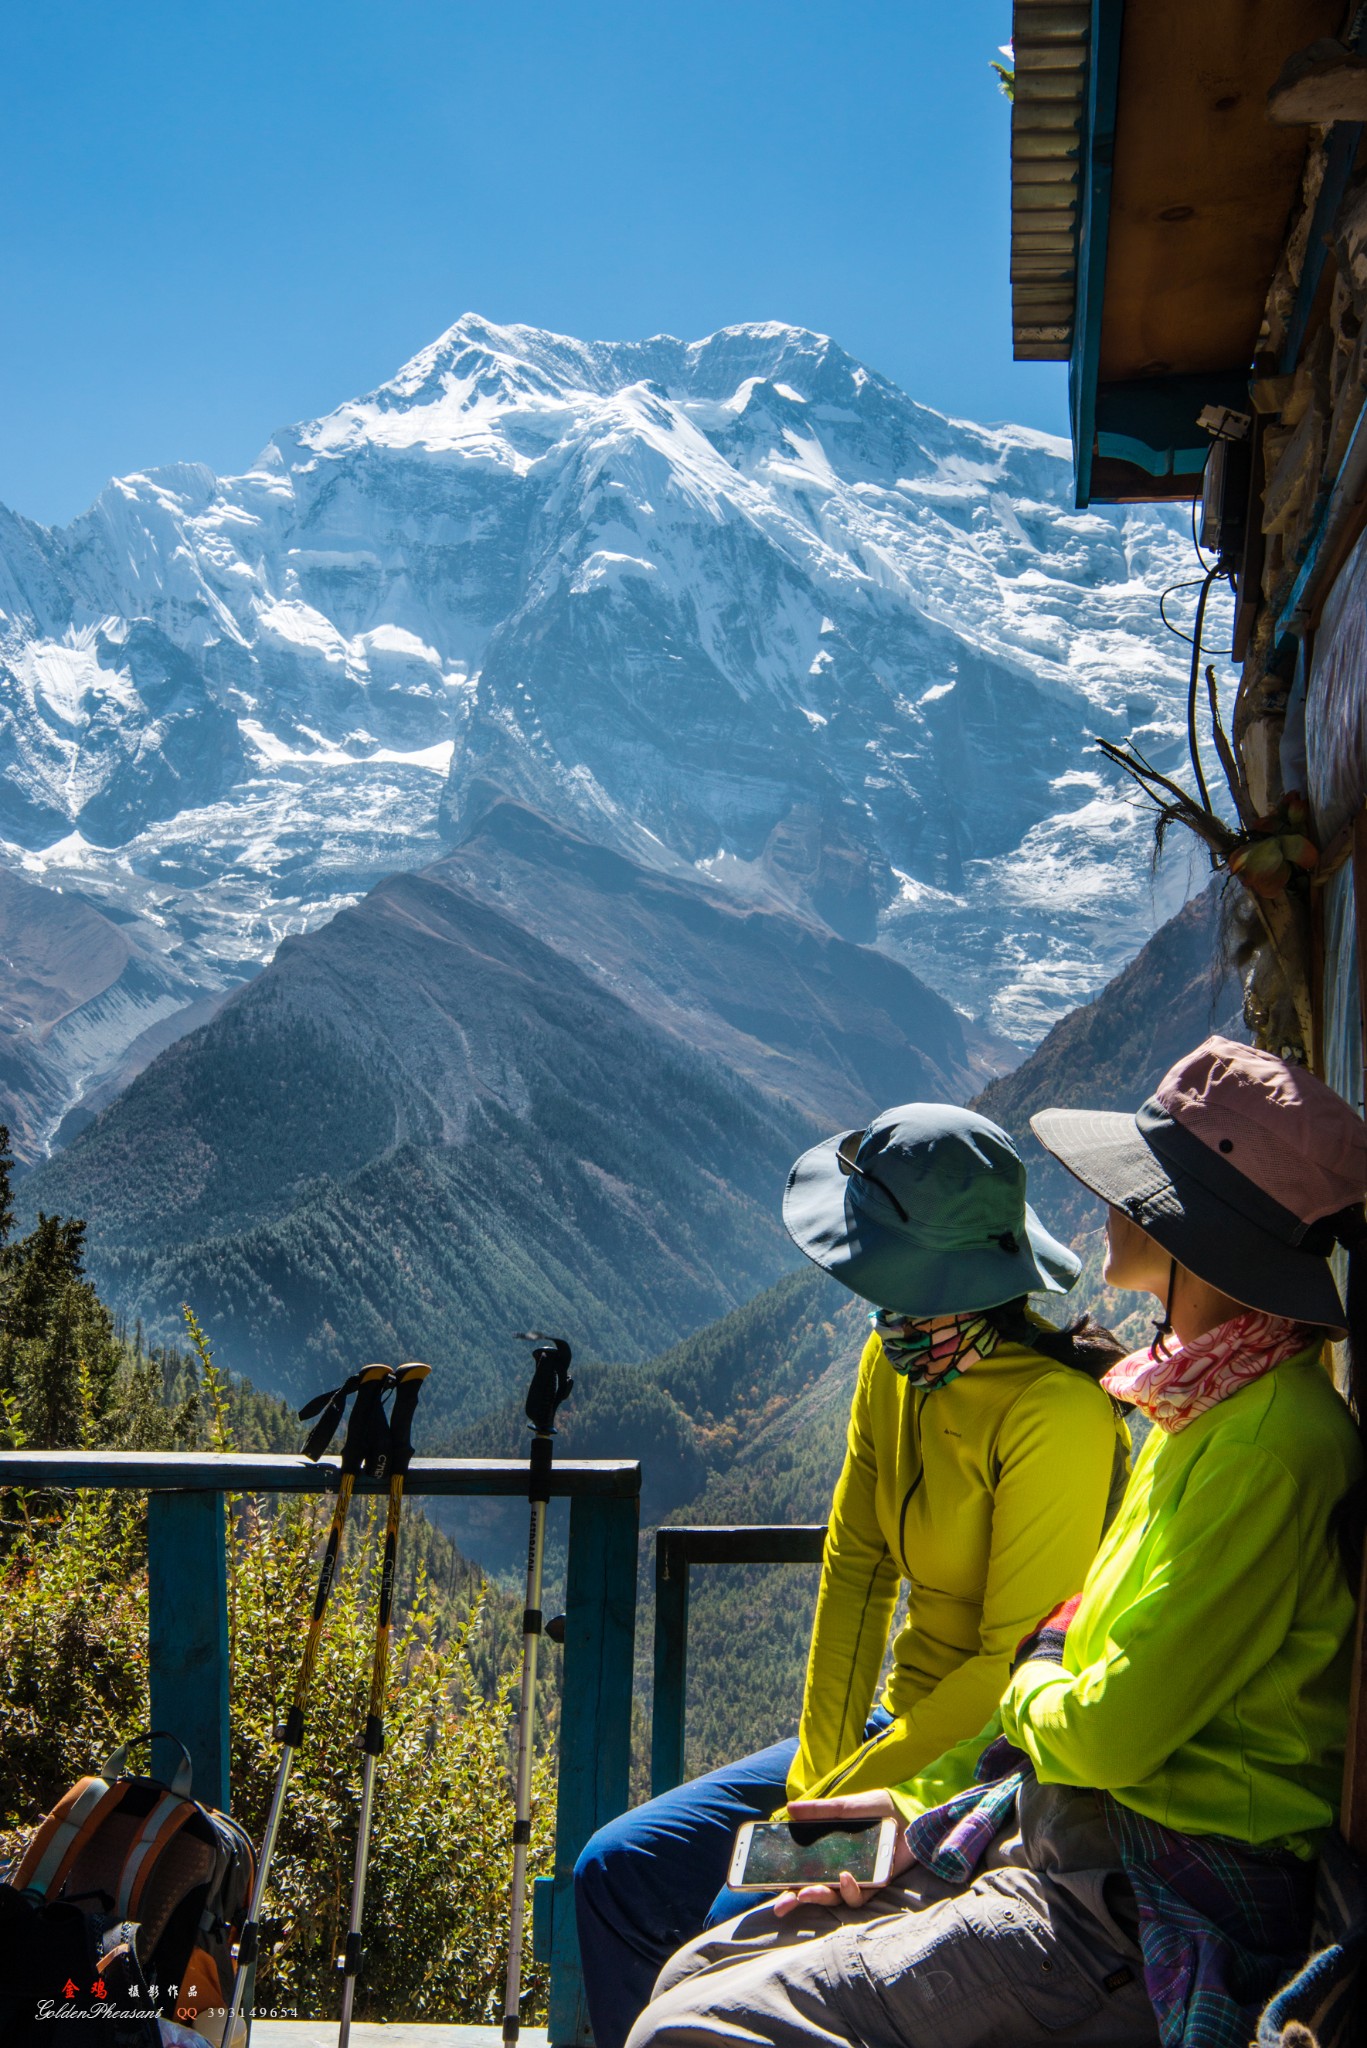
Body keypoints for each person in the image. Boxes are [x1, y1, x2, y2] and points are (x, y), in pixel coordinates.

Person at [624, 1037, 1367, 2048]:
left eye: (1131, 1183)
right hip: (1073, 1830)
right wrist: (858, 1782)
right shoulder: (1204, 1403)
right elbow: (1062, 1650)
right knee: (702, 1962)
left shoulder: (1263, 1444)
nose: (1099, 1203)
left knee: (704, 2014)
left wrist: (1028, 1681)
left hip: (1140, 1882)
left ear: (1186, 1225)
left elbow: (1096, 1714)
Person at [575, 1101, 1131, 2048]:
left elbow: (1011, 1667)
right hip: (882, 1732)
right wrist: (815, 1780)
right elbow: (856, 1565)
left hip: (983, 1767)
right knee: (615, 1870)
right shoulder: (896, 1362)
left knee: (725, 1927)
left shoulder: (1057, 1416)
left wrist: (850, 1798)